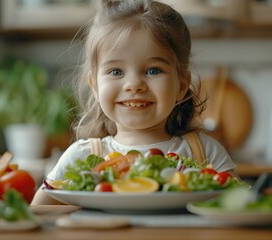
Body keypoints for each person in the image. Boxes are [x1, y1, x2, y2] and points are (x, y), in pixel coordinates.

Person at [31, 0, 237, 205]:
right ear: (94, 86)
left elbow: (237, 207)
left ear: (182, 85)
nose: (134, 85)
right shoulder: (81, 157)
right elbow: (40, 213)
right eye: (116, 71)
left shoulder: (205, 152)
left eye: (153, 70)